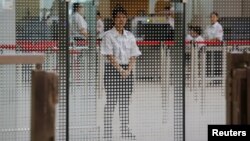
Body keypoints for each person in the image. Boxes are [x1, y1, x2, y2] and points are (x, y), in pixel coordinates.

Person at [100, 6, 141, 141]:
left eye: (123, 16)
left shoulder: (130, 35)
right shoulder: (108, 35)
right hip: (113, 71)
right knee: (111, 102)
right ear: (113, 19)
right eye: (118, 17)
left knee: (124, 102)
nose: (121, 19)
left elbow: (133, 55)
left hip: (127, 71)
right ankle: (107, 132)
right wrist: (121, 70)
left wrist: (128, 70)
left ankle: (125, 130)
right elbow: (109, 56)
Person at [203, 12, 223, 82]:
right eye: (211, 17)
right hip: (208, 48)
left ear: (217, 18)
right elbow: (204, 37)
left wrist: (208, 41)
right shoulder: (208, 27)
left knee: (216, 64)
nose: (212, 18)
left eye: (214, 17)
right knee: (208, 64)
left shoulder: (219, 26)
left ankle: (217, 81)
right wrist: (207, 41)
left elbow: (218, 38)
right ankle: (209, 80)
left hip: (216, 48)